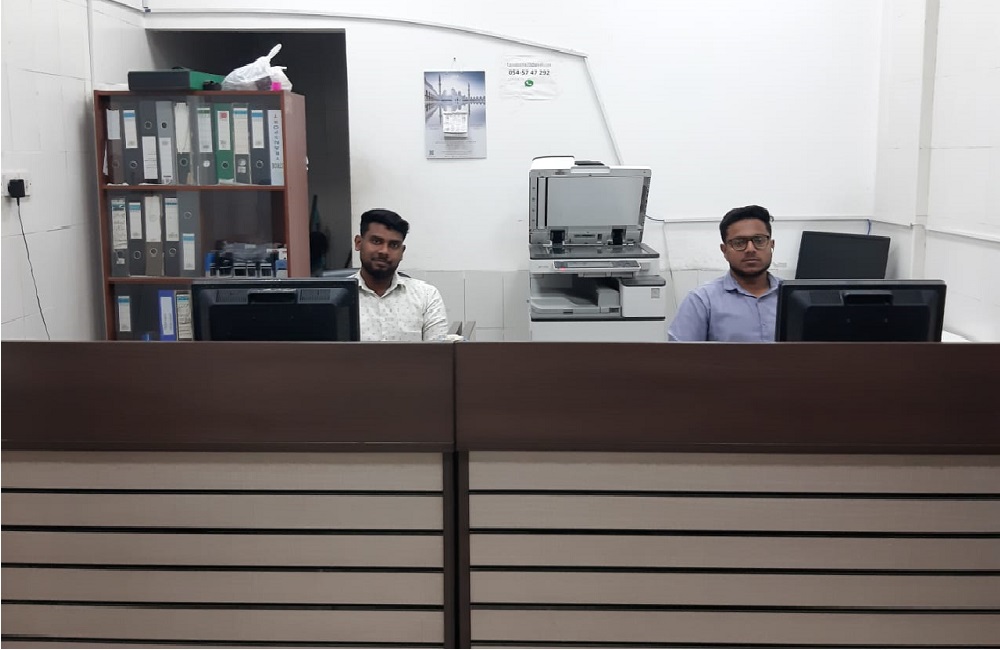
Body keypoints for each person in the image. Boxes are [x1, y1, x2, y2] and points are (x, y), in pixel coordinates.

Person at [668, 205, 780, 342]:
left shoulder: (793, 296)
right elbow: (680, 353)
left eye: (759, 240)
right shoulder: (702, 300)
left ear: (771, 245)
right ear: (724, 250)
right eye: (739, 243)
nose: (750, 249)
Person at [353, 208, 449, 341]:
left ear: (402, 252)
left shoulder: (426, 296)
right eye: (376, 241)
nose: (384, 251)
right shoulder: (337, 294)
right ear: (358, 243)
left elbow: (438, 351)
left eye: (393, 245)